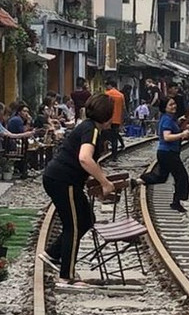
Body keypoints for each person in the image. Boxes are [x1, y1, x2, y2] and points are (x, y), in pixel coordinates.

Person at [41, 93, 116, 289]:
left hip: (62, 179)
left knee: (86, 218)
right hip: (63, 180)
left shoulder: (89, 127)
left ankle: (53, 254)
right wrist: (104, 182)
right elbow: (84, 158)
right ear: (108, 115)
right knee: (72, 225)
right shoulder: (91, 130)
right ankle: (67, 276)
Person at [137, 95, 189, 211]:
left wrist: (178, 123)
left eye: (174, 104)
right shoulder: (167, 119)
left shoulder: (169, 118)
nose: (174, 106)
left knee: (162, 177)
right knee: (181, 177)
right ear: (165, 107)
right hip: (168, 153)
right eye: (171, 105)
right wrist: (182, 134)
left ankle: (139, 181)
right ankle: (176, 202)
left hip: (165, 153)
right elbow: (167, 136)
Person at [104, 77, 127, 161]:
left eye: (107, 85)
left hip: (107, 119)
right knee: (114, 138)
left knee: (104, 136)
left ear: (110, 85)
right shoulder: (121, 95)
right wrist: (122, 120)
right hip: (117, 119)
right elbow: (123, 108)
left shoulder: (106, 94)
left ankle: (103, 152)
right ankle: (114, 156)